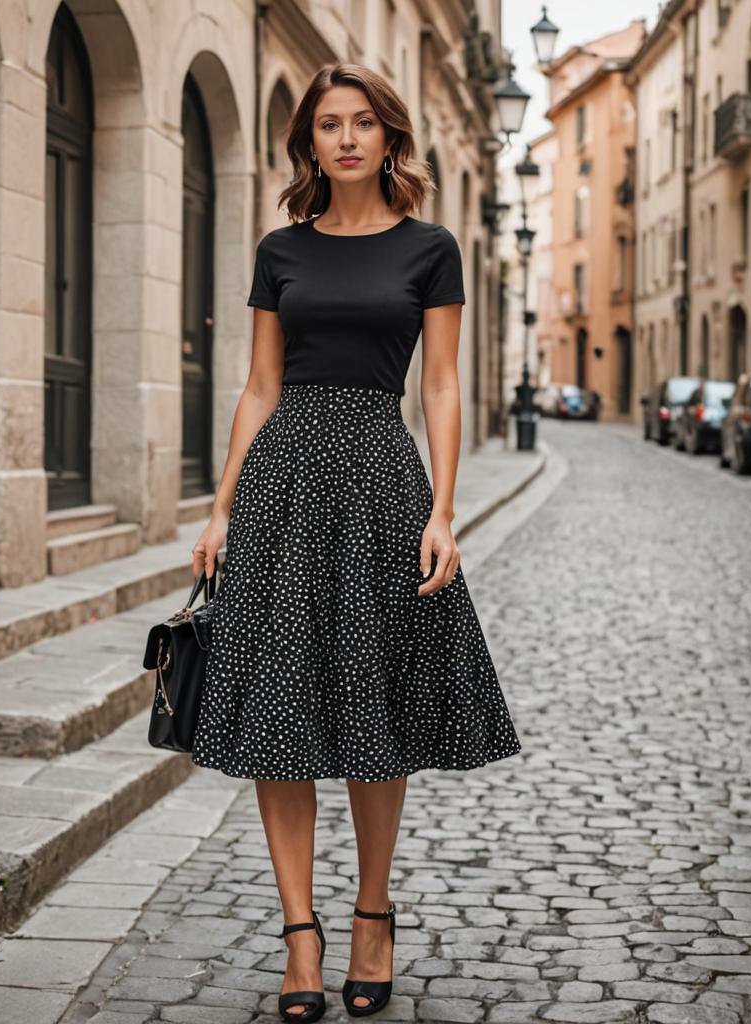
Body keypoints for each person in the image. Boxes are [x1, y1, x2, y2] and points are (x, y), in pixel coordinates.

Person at [188, 62, 522, 1022]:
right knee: (277, 715)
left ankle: (372, 913)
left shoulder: (432, 248)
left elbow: (444, 387)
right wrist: (219, 510)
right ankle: (301, 937)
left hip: (382, 480)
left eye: (362, 123)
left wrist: (444, 510)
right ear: (310, 143)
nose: (344, 138)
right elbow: (258, 386)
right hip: (282, 485)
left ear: (388, 137)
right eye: (328, 124)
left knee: (377, 710)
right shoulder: (279, 250)